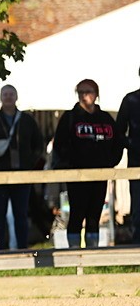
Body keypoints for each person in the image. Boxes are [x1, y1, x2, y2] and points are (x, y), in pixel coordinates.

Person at [52, 79, 124, 248]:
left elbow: (118, 143)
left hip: (100, 174)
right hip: (77, 175)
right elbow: (59, 145)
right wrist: (68, 165)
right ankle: (75, 253)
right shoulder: (70, 117)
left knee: (94, 215)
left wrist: (109, 163)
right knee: (77, 214)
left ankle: (93, 252)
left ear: (96, 94)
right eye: (81, 92)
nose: (84, 96)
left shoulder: (105, 118)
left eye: (88, 91)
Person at [0, 85, 44, 250]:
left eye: (11, 94)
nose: (8, 97)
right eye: (5, 94)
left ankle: (22, 248)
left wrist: (30, 163)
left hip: (22, 174)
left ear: (16, 97)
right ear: (0, 97)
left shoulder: (27, 120)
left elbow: (38, 144)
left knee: (21, 214)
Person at [116, 68, 140, 242]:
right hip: (137, 162)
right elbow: (118, 132)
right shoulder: (131, 100)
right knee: (138, 208)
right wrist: (132, 145)